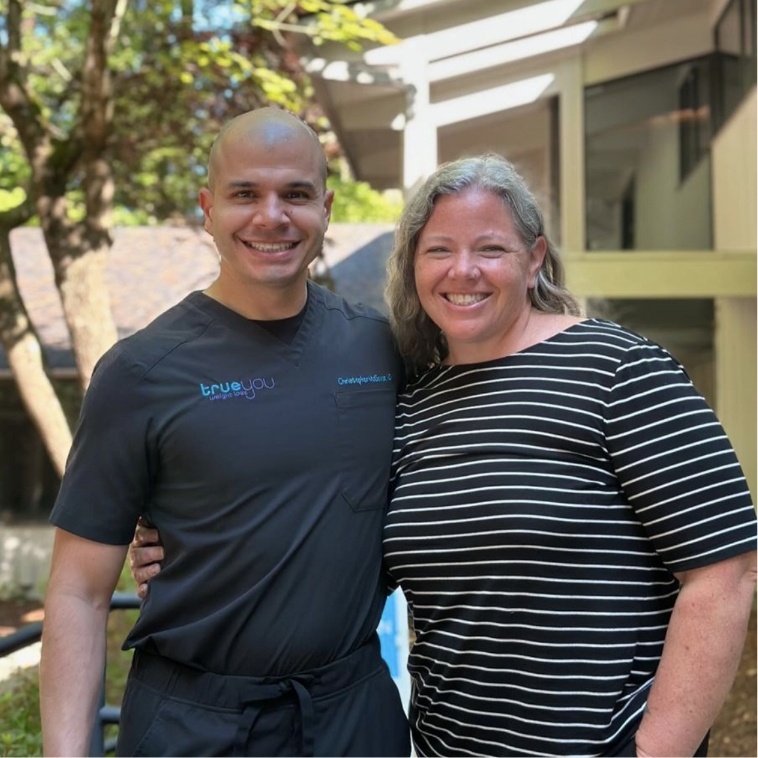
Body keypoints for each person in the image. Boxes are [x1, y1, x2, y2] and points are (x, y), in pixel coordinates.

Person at [132, 153, 758, 757]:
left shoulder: (617, 370)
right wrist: (195, 551)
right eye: (439, 250)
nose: (464, 271)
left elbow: (724, 575)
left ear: (534, 258)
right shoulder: (411, 406)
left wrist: (658, 751)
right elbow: (335, 535)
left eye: (490, 248)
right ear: (412, 267)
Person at [39, 106, 411, 758]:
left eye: (295, 194)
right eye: (246, 194)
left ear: (325, 209)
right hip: (196, 725)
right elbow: (77, 590)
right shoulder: (139, 372)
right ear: (208, 209)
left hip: (354, 717)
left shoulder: (380, 350)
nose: (272, 216)